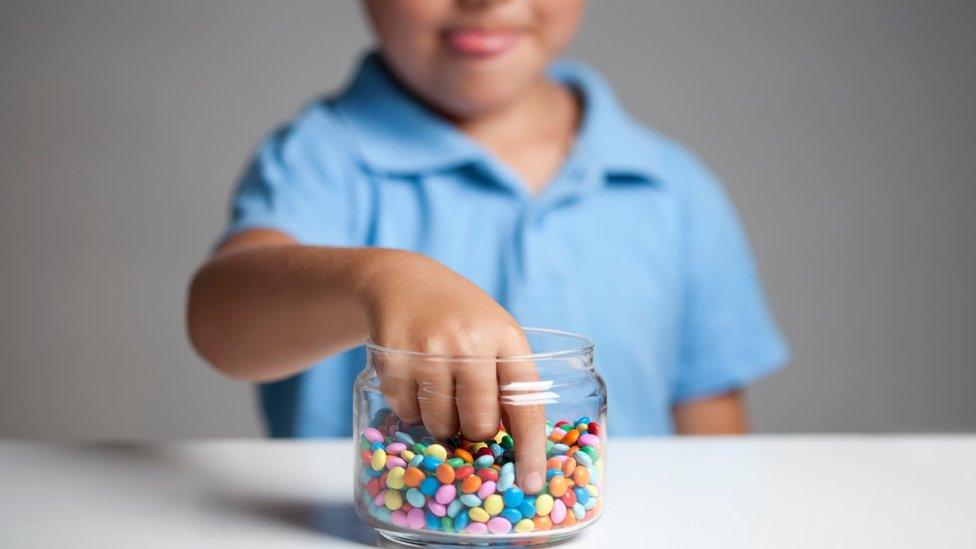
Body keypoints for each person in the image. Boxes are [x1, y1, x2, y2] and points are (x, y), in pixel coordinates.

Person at [186, 0, 788, 494]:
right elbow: (219, 318)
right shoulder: (321, 160)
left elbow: (713, 432)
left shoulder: (670, 185)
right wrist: (383, 280)